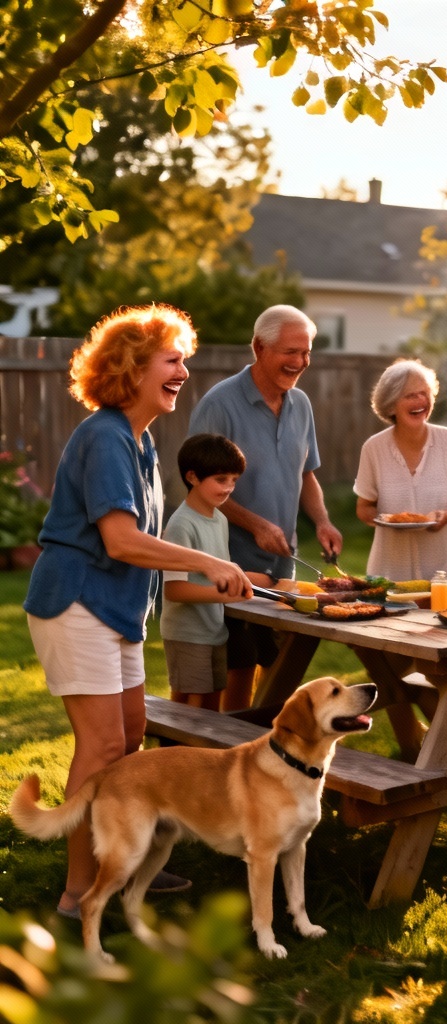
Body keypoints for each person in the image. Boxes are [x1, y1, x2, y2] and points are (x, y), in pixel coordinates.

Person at [23, 305, 252, 920]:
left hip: (116, 611)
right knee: (101, 751)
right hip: (76, 603)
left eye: (184, 362)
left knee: (129, 742)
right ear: (133, 368)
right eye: (172, 361)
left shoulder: (140, 441)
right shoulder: (103, 437)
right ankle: (78, 893)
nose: (184, 372)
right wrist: (204, 563)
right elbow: (122, 540)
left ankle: (123, 862)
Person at [188, 305, 343, 711]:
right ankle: (229, 756)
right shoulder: (219, 404)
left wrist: (323, 521)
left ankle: (255, 752)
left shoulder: (301, 405)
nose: (299, 362)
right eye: (290, 351)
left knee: (275, 668)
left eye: (306, 353)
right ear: (258, 347)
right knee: (235, 670)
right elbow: (199, 488)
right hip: (229, 563)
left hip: (282, 568)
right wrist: (255, 524)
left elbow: (306, 474)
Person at [354, 358, 447, 759]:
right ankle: (412, 746)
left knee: (445, 661)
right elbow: (364, 508)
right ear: (392, 403)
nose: (421, 401)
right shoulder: (374, 448)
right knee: (390, 663)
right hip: (390, 568)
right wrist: (384, 521)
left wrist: (446, 515)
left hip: (442, 565)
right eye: (411, 394)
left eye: (425, 393)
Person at [161, 433, 260, 712]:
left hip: (214, 631)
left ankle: (200, 756)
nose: (229, 487)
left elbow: (223, 572)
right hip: (187, 634)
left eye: (233, 480)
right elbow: (174, 590)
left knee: (209, 711)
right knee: (186, 713)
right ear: (192, 477)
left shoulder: (220, 520)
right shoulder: (181, 525)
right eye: (220, 479)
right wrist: (224, 595)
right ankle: (171, 757)